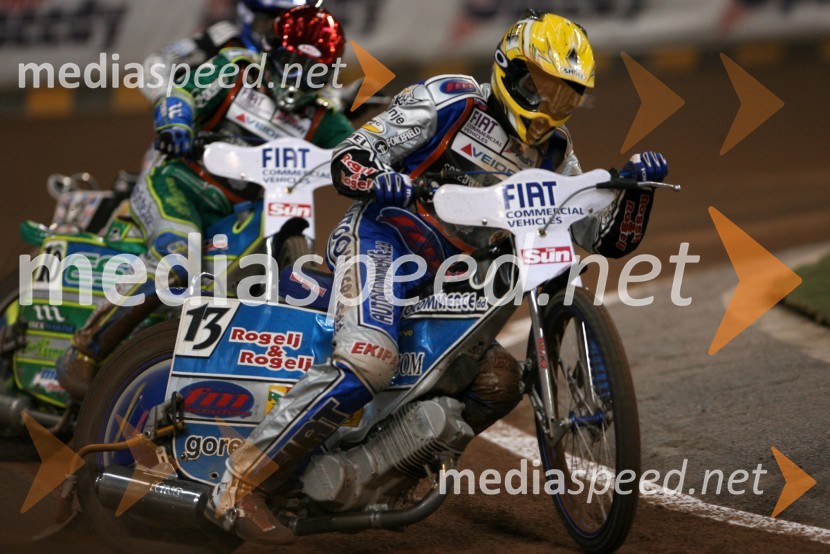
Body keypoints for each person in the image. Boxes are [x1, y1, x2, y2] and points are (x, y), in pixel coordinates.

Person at [207, 10, 668, 544]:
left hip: (450, 279)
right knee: (367, 360)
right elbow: (351, 157)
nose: (549, 107)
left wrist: (637, 194)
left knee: (497, 381)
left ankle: (372, 472)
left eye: (565, 96)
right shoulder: (450, 98)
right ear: (510, 73)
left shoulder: (556, 155)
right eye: (541, 89)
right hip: (383, 242)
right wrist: (382, 179)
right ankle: (238, 484)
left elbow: (605, 239)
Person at [56, 6, 353, 399]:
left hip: (244, 213)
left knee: (241, 285)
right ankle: (83, 348)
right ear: (274, 52)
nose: (301, 78)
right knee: (178, 259)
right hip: (178, 184)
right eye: (294, 63)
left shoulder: (324, 115)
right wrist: (176, 122)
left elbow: (356, 151)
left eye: (315, 71)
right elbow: (181, 92)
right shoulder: (235, 68)